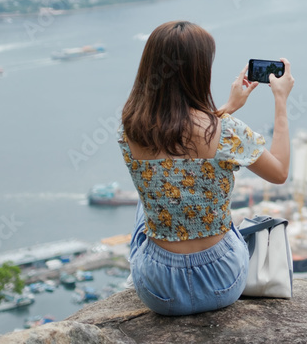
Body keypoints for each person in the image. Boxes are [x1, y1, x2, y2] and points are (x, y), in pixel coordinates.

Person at [117, 20, 293, 315]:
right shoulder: (225, 131)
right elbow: (279, 173)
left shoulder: (131, 129)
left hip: (159, 291)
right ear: (199, 70)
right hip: (222, 282)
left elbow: (177, 138)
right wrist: (280, 100)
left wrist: (228, 106)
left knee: (147, 200)